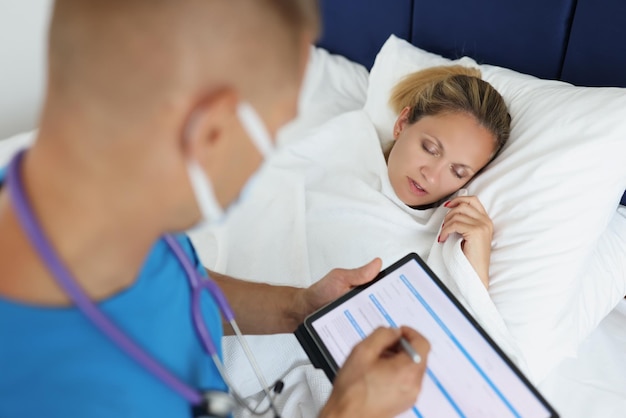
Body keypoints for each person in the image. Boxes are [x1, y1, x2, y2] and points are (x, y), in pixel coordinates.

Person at [0, 1, 430, 418]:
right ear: (210, 133)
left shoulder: (105, 199)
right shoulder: (60, 396)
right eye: (276, 130)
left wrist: (299, 307)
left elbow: (179, 284)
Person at [386, 65, 511, 288]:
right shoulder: (336, 154)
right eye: (430, 149)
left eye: (457, 172)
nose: (432, 177)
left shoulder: (445, 240)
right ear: (402, 123)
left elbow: (468, 321)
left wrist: (477, 266)